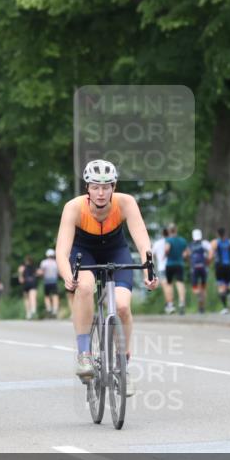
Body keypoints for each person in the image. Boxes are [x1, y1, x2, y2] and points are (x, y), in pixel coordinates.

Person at [55, 159, 158, 386]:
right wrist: (67, 277)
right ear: (87, 189)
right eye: (95, 187)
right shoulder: (73, 207)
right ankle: (84, 355)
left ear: (114, 187)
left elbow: (142, 241)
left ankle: (123, 364)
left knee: (121, 306)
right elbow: (62, 251)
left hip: (115, 251)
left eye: (106, 187)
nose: (101, 193)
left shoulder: (126, 203)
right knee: (85, 287)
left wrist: (148, 269)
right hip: (84, 253)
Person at [210, 227, 230, 314]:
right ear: (225, 233)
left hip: (219, 266)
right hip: (229, 266)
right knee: (227, 286)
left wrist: (211, 260)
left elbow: (211, 255)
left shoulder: (215, 242)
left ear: (217, 234)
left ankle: (225, 307)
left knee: (221, 287)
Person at [184, 229, 212, 313]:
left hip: (194, 268)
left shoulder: (190, 245)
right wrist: (208, 262)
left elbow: (185, 255)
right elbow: (211, 254)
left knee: (195, 288)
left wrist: (189, 262)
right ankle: (202, 308)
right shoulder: (205, 243)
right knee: (203, 287)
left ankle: (198, 294)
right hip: (203, 267)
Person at [163, 223, 188, 314]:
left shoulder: (168, 240)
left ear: (169, 231)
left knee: (169, 284)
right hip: (179, 264)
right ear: (176, 230)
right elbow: (186, 254)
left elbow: (166, 249)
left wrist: (165, 255)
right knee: (180, 283)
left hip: (170, 264)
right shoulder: (182, 240)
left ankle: (170, 305)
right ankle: (181, 302)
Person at [152, 227, 173, 312]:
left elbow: (151, 254)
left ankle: (169, 305)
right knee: (171, 285)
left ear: (162, 234)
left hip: (162, 267)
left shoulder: (158, 243)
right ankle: (173, 303)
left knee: (166, 286)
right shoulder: (172, 241)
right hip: (172, 265)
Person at [38, 249, 60, 318]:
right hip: (54, 281)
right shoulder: (56, 262)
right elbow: (58, 273)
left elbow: (41, 272)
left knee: (47, 295)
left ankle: (49, 308)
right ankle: (55, 309)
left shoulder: (44, 262)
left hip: (46, 281)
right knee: (55, 295)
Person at [18, 255, 39, 320]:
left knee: (27, 299)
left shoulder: (22, 267)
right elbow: (38, 273)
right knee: (33, 297)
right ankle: (33, 311)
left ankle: (29, 312)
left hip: (26, 284)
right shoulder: (34, 267)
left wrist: (20, 275)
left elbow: (21, 279)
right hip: (33, 283)